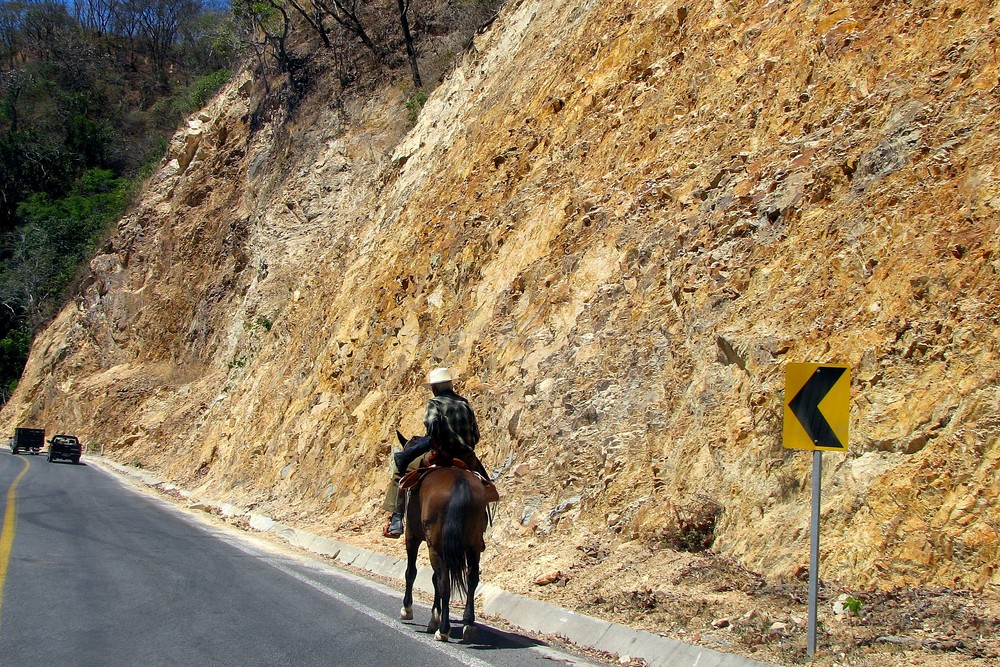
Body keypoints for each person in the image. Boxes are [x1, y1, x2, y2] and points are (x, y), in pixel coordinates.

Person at [382, 367, 481, 538]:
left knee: (400, 471)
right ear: (451, 386)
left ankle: (396, 519)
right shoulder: (465, 403)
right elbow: (476, 436)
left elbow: (431, 426)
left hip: (443, 455)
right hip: (466, 456)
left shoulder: (434, 404)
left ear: (434, 389)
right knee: (484, 480)